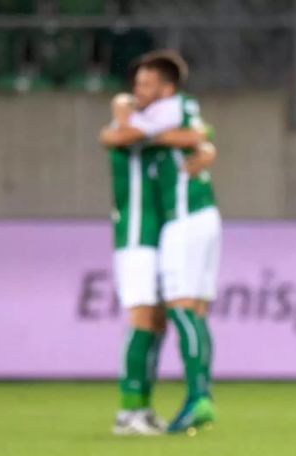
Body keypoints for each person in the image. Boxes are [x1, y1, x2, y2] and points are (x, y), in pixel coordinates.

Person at [100, 50, 221, 434]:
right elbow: (115, 134)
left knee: (162, 316)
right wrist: (201, 141)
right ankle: (131, 409)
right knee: (145, 316)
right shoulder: (139, 123)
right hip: (136, 234)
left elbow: (196, 132)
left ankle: (164, 403)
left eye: (146, 85)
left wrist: (204, 143)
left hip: (170, 227)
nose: (137, 91)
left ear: (165, 89)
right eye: (135, 85)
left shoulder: (168, 110)